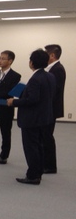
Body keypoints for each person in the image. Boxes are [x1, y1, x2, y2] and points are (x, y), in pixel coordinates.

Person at [7, 49, 56, 185]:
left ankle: (33, 175)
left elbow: (32, 100)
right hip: (44, 117)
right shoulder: (50, 76)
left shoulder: (35, 79)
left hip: (32, 119)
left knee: (31, 147)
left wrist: (13, 102)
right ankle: (38, 172)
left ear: (32, 62)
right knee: (39, 145)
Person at [42, 44, 66, 174]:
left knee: (47, 136)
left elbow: (54, 90)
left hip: (50, 109)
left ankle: (50, 166)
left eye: (45, 54)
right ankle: (45, 163)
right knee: (44, 136)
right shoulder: (51, 69)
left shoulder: (58, 69)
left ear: (52, 55)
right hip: (47, 108)